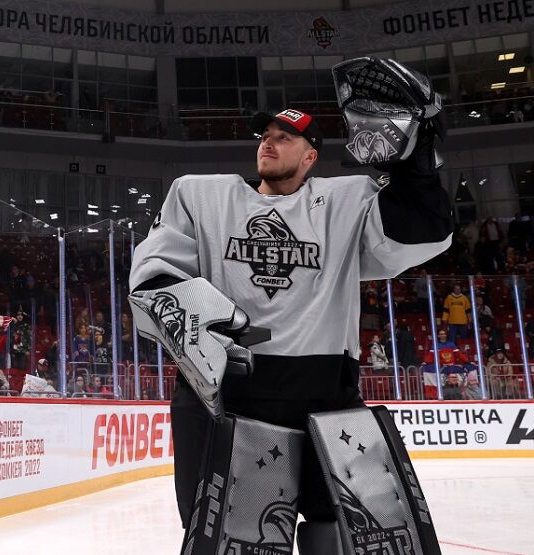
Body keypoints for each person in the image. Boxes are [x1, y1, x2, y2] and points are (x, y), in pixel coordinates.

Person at [129, 103, 451, 551]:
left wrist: (417, 162)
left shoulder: (346, 201)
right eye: (265, 135)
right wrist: (196, 320)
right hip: (228, 395)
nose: (269, 143)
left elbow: (421, 234)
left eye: (285, 137)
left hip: (325, 394)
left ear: (310, 156)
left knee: (345, 535)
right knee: (232, 538)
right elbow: (154, 271)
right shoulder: (199, 196)